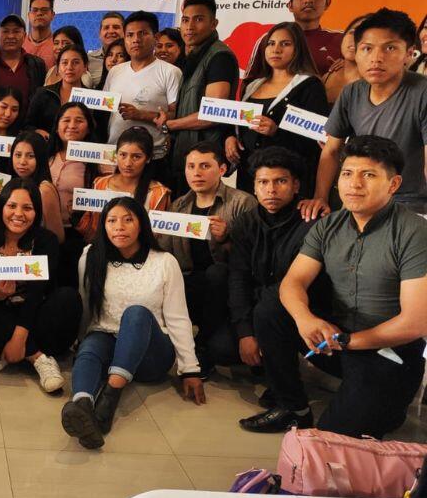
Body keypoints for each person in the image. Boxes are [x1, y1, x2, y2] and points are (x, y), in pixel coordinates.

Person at [241, 136, 427, 438]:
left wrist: (346, 340)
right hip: (337, 340)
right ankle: (293, 408)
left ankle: (381, 405)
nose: (354, 184)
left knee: (331, 438)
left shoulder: (414, 233)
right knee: (272, 305)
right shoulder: (329, 225)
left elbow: (416, 322)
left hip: (387, 352)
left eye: (368, 175)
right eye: (347, 174)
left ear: (393, 185)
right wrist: (306, 320)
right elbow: (293, 282)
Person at [64, 197, 204, 450]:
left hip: (151, 354)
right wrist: (80, 340)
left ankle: (109, 398)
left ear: (142, 225)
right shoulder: (91, 256)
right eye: (112, 220)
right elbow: (87, 305)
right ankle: (82, 406)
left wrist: (190, 369)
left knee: (137, 314)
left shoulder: (164, 262)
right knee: (91, 345)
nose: (120, 227)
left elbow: (178, 317)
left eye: (128, 220)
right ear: (103, 226)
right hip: (108, 337)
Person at [300, 8, 427, 219]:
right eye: (367, 49)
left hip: (412, 205)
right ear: (356, 52)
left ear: (409, 53)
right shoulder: (352, 92)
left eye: (390, 48)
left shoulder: (422, 92)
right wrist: (320, 197)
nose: (376, 58)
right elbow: (331, 150)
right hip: (361, 200)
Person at [228, 147, 327, 398]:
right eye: (263, 182)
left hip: (295, 312)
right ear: (254, 187)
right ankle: (265, 361)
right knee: (222, 348)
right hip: (257, 307)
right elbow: (238, 276)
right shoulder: (245, 223)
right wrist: (246, 333)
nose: (271, 190)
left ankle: (287, 388)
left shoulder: (310, 222)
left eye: (280, 181)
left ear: (296, 186)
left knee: (272, 301)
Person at [0, 178, 80, 393]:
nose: (18, 214)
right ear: (1, 206)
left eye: (27, 208)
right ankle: (37, 357)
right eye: (11, 206)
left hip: (34, 312)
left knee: (67, 297)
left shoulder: (46, 240)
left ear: (37, 212)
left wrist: (19, 338)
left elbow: (38, 293)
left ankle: (5, 351)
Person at [157, 141, 256, 373]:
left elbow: (253, 259)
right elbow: (165, 253)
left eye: (204, 166)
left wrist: (226, 240)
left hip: (227, 290)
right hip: (188, 283)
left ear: (222, 169)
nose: (196, 173)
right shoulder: (179, 205)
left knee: (217, 274)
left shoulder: (243, 203)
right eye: (190, 166)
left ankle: (202, 344)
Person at [233, 22, 329, 196]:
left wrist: (277, 132)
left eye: (285, 44)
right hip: (249, 178)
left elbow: (318, 142)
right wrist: (231, 138)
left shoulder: (309, 85)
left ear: (298, 49)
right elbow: (238, 122)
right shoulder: (252, 85)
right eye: (271, 43)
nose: (276, 49)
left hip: (287, 182)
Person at [160, 0, 239, 196]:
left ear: (214, 24)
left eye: (199, 19)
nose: (190, 27)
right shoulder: (192, 55)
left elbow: (214, 113)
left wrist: (172, 125)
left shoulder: (219, 56)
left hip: (205, 159)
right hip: (185, 153)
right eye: (185, 20)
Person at [104, 11, 181, 162]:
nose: (136, 40)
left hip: (154, 156)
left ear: (156, 37)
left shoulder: (170, 72)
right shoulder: (115, 71)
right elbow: (105, 109)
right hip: (115, 154)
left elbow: (176, 115)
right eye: (130, 35)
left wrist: (141, 115)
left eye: (143, 33)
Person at [75, 127, 172, 242]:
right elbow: (92, 227)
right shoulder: (100, 183)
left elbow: (158, 237)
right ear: (116, 155)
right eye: (123, 155)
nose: (128, 163)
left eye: (136, 157)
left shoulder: (158, 193)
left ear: (148, 158)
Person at [48, 102, 104, 287]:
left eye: (79, 121)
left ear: (88, 127)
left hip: (78, 233)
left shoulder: (98, 159)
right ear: (57, 127)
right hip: (46, 232)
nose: (72, 125)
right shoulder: (47, 155)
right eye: (66, 120)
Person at [0, 14, 47, 114]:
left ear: (24, 36)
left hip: (27, 128)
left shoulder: (37, 64)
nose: (11, 36)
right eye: (5, 31)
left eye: (16, 31)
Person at [9, 130, 64, 242]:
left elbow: (58, 237)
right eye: (18, 155)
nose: (22, 161)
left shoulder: (44, 190)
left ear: (40, 158)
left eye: (30, 156)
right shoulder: (13, 184)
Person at [27, 44, 88, 135]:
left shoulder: (94, 97)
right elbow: (27, 125)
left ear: (85, 67)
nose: (69, 67)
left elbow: (99, 132)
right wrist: (37, 131)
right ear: (58, 67)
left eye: (75, 62)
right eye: (64, 62)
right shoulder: (43, 93)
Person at [287, 0, 342, 75]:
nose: (308, 0)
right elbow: (251, 81)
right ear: (290, 5)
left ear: (327, 3)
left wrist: (349, 66)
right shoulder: (270, 40)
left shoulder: (342, 40)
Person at [322, 14, 368, 105]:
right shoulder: (327, 76)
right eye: (352, 32)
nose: (356, 38)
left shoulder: (377, 83)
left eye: (364, 34)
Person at [87, 12, 125, 84]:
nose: (111, 31)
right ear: (99, 34)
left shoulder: (134, 59)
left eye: (116, 27)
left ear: (125, 32)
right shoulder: (87, 59)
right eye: (106, 28)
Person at [23, 0, 57, 69]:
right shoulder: (20, 44)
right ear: (29, 15)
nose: (39, 13)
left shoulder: (58, 45)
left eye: (44, 10)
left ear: (52, 15)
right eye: (34, 10)